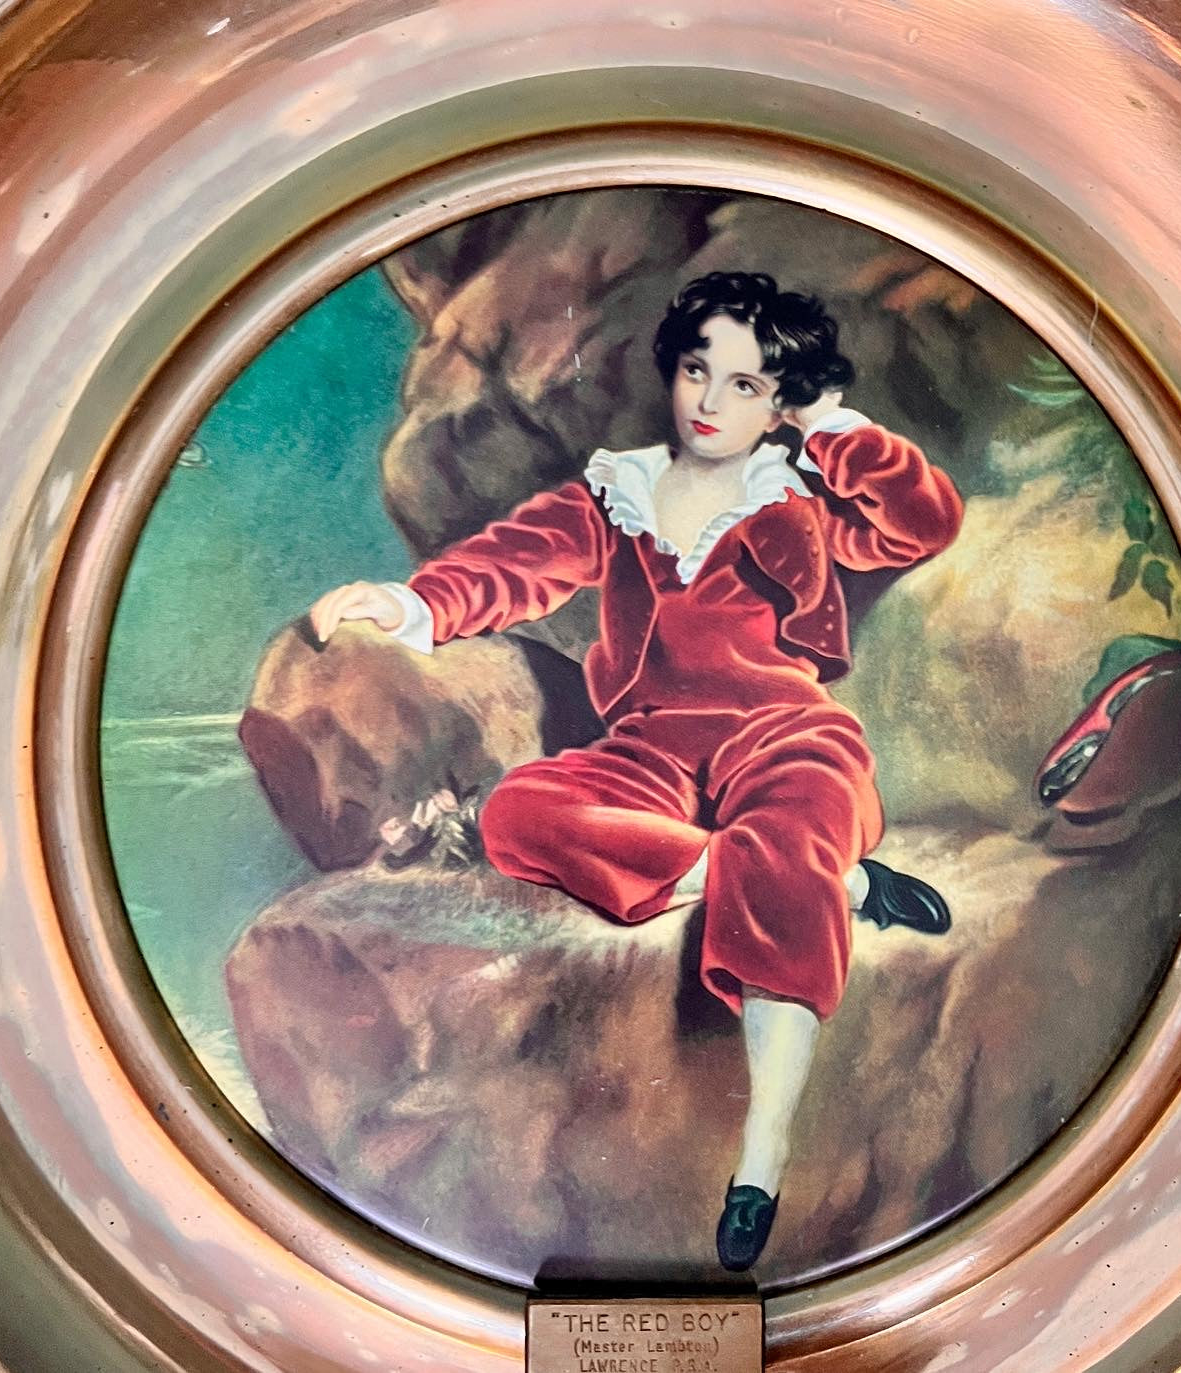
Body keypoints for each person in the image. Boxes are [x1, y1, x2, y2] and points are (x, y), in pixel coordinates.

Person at [309, 271, 963, 1271]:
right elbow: (514, 564)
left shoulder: (797, 498)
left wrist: (831, 425)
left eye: (744, 384)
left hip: (784, 733)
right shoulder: (619, 494)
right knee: (521, 811)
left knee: (793, 823)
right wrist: (411, 605)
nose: (709, 400)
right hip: (650, 747)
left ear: (779, 400)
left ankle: (761, 1158)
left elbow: (921, 522)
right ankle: (830, 883)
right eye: (698, 370)